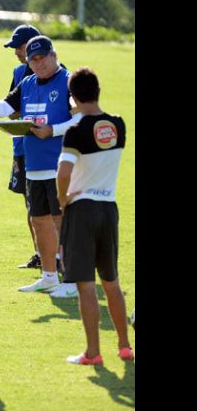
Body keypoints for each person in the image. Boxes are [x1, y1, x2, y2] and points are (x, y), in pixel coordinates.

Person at [0, 35, 81, 298]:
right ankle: (49, 276)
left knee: (62, 222)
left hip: (60, 167)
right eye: (34, 60)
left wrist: (53, 130)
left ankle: (72, 280)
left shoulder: (68, 81)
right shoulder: (27, 83)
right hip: (34, 166)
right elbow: (4, 110)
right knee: (39, 222)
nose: (39, 63)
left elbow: (79, 119)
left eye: (43, 58)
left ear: (54, 55)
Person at [57, 67, 133, 365]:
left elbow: (63, 172)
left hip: (82, 209)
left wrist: (63, 200)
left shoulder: (76, 130)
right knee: (111, 281)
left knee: (86, 285)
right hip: (109, 208)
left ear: (72, 97)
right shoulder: (118, 124)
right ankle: (125, 346)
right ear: (98, 91)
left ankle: (92, 353)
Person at [2, 25, 43, 269]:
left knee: (50, 206)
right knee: (30, 204)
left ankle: (59, 257)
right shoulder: (18, 73)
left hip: (46, 148)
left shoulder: (57, 72)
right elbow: (10, 111)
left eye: (19, 47)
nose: (16, 52)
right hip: (21, 146)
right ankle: (40, 254)